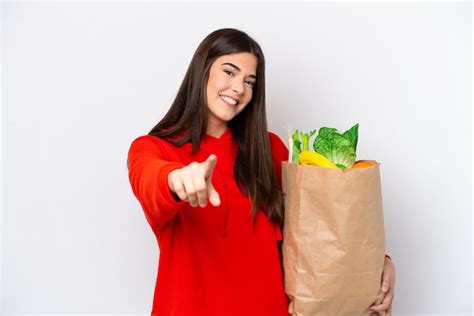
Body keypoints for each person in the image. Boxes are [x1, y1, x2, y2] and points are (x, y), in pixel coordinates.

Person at [127, 28, 396, 316]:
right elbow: (149, 178)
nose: (239, 88)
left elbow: (315, 229)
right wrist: (175, 180)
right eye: (229, 72)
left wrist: (377, 262)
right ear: (201, 70)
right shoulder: (153, 148)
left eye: (249, 81)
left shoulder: (270, 150)